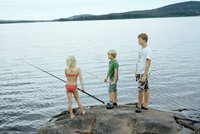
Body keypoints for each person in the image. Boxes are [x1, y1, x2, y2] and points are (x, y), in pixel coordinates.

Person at [135, 33, 152, 113]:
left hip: (143, 73)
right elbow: (138, 61)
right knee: (145, 88)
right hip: (139, 72)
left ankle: (139, 105)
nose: (138, 41)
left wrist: (144, 75)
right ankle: (145, 105)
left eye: (140, 40)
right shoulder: (140, 49)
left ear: (144, 40)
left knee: (140, 89)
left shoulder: (148, 50)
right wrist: (136, 71)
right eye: (138, 40)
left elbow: (148, 63)